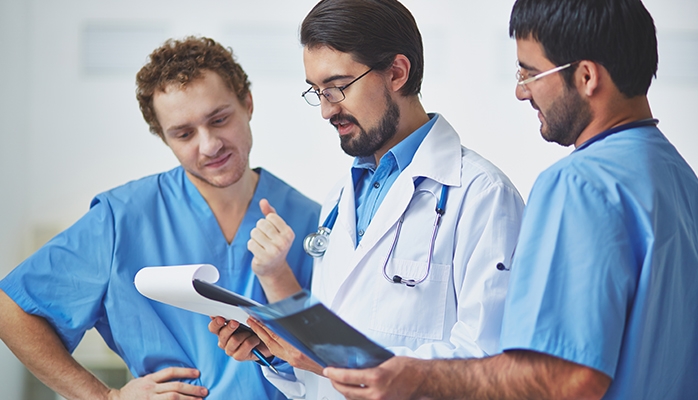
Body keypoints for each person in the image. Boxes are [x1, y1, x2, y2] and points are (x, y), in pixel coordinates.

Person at [320, 0, 698, 399]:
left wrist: (415, 377)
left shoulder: (580, 184)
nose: (521, 92)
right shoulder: (679, 178)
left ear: (587, 76)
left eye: (530, 73)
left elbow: (570, 377)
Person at [208, 1, 525, 399]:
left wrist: (331, 360)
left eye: (337, 86)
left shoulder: (483, 195)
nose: (326, 109)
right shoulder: (340, 197)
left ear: (397, 72)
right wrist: (280, 353)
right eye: (317, 91)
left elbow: (490, 360)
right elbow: (326, 362)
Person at [0, 36, 320, 400]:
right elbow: (11, 308)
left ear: (247, 103)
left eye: (219, 119)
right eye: (184, 134)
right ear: (163, 138)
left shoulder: (311, 220)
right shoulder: (122, 218)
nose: (209, 144)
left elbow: (334, 357)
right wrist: (106, 397)